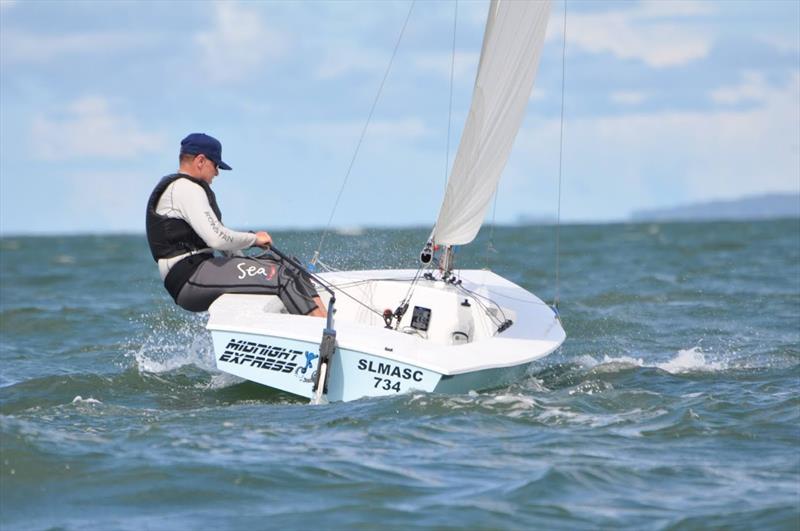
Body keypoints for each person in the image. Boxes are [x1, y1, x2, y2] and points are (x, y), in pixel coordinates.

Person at [145, 133, 327, 317]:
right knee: (280, 276)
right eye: (216, 165)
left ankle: (328, 323)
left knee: (289, 265)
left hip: (203, 267)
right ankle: (323, 337)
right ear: (200, 160)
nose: (217, 172)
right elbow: (217, 239)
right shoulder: (185, 189)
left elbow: (223, 243)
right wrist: (254, 239)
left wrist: (245, 262)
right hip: (187, 278)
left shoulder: (192, 189)